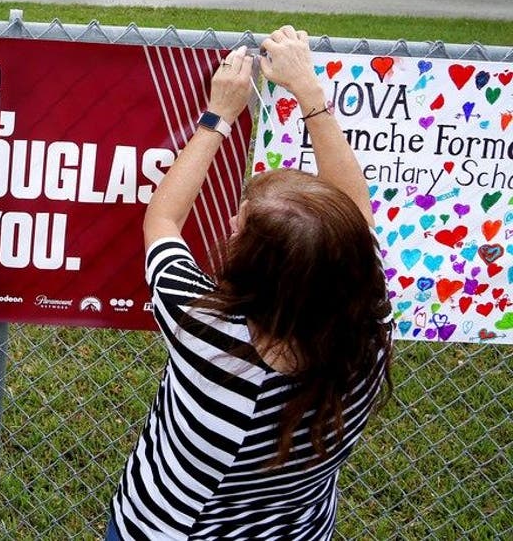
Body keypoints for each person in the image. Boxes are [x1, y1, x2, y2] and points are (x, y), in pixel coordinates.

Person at [106, 26, 393, 540]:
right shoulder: (367, 334)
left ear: (253, 269)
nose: (232, 223)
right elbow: (358, 221)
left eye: (240, 227)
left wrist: (218, 115)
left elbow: (163, 221)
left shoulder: (208, 333)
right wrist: (309, 94)